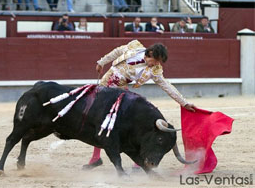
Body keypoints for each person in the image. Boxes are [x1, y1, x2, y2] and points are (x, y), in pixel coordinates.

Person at [82, 40, 196, 170]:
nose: (156, 64)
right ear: (150, 53)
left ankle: (137, 161)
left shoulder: (155, 70)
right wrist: (101, 62)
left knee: (118, 124)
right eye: (156, 60)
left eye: (159, 62)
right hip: (103, 89)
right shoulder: (134, 47)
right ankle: (96, 158)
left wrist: (184, 102)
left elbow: (167, 86)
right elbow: (116, 52)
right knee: (100, 122)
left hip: (118, 92)